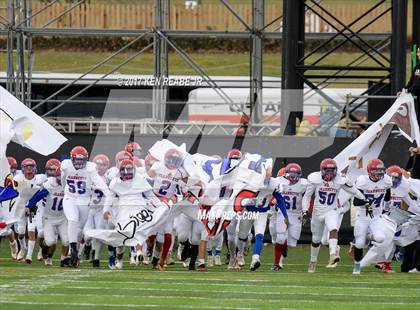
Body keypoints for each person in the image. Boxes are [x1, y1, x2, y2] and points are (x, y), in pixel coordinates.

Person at [303, 158, 365, 273]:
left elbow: (354, 190)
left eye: (332, 170)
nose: (330, 173)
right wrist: (305, 210)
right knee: (316, 240)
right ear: (322, 170)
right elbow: (307, 196)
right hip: (317, 212)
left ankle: (332, 254)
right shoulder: (315, 179)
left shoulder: (340, 180)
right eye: (327, 170)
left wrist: (364, 199)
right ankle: (313, 261)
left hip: (331, 210)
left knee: (333, 228)